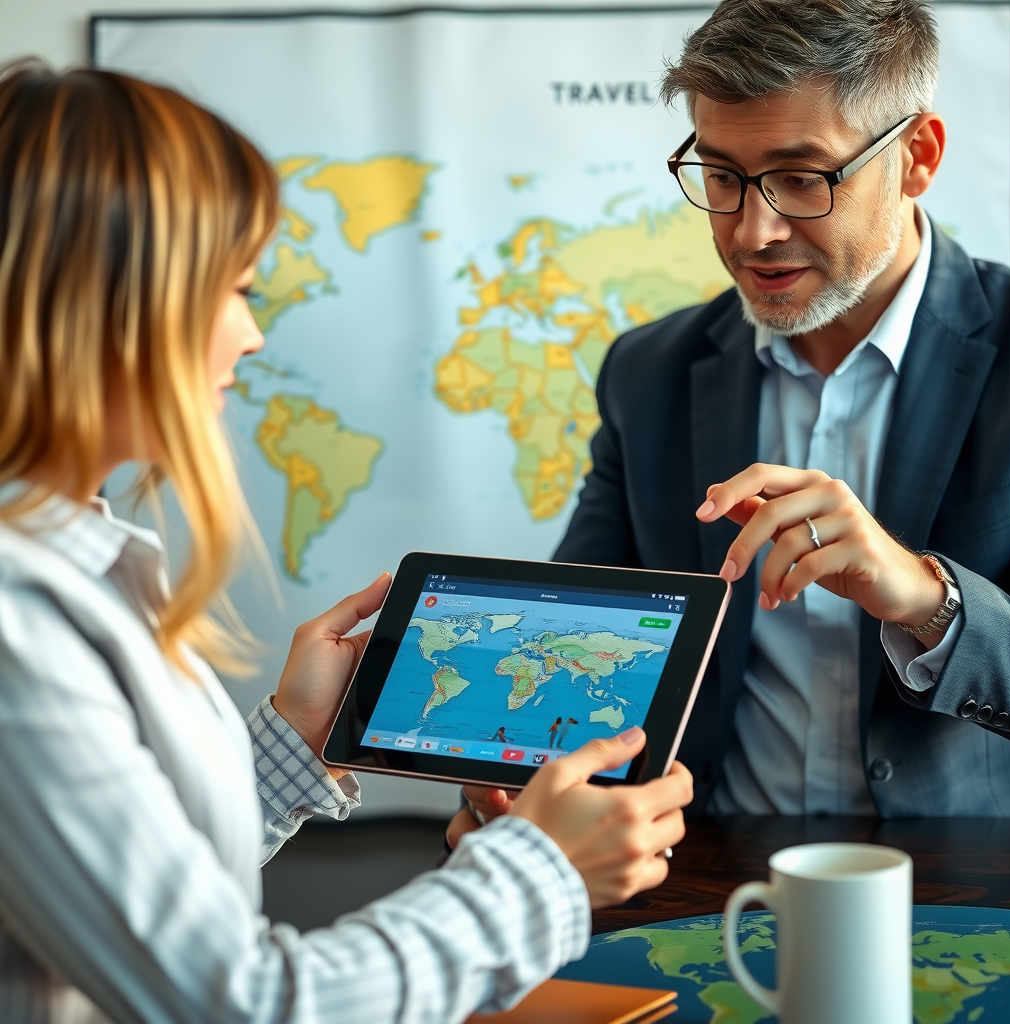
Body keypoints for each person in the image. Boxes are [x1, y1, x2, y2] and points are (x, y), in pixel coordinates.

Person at [0, 62, 693, 1024]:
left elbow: (137, 890)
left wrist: (297, 737)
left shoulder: (72, 562)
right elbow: (239, 1003)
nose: (249, 337)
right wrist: (541, 868)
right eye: (236, 288)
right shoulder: (18, 627)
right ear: (111, 306)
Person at [455, 0, 1010, 831]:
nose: (753, 232)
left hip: (968, 894)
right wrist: (504, 786)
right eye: (722, 177)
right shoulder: (649, 372)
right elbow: (581, 642)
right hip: (705, 886)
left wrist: (923, 598)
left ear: (917, 156)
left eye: (803, 178)